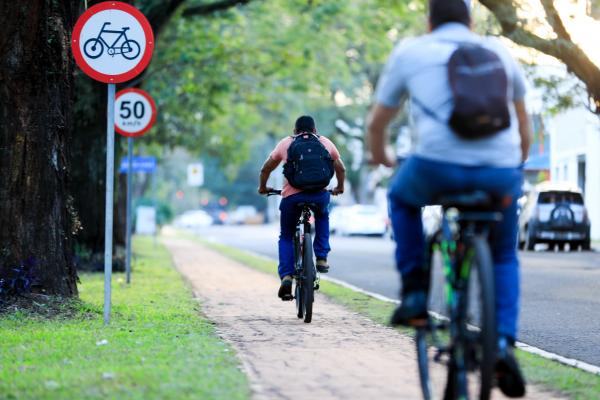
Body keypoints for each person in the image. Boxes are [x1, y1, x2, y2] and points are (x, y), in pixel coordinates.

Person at [367, 0, 531, 397]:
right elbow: (524, 126)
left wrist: (384, 158)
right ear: (471, 21)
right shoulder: (500, 53)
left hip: (434, 166)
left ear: (429, 22)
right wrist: (510, 169)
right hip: (500, 172)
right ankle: (504, 342)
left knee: (401, 199)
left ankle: (415, 293)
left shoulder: (411, 51)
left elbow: (377, 124)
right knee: (505, 254)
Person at [258, 115, 346, 300]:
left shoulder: (286, 144)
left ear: (294, 131)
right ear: (315, 130)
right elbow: (341, 169)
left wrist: (263, 187)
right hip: (319, 195)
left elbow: (266, 168)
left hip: (292, 197)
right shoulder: (325, 143)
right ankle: (321, 257)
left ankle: (287, 276)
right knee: (322, 216)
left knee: (286, 235)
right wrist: (339, 187)